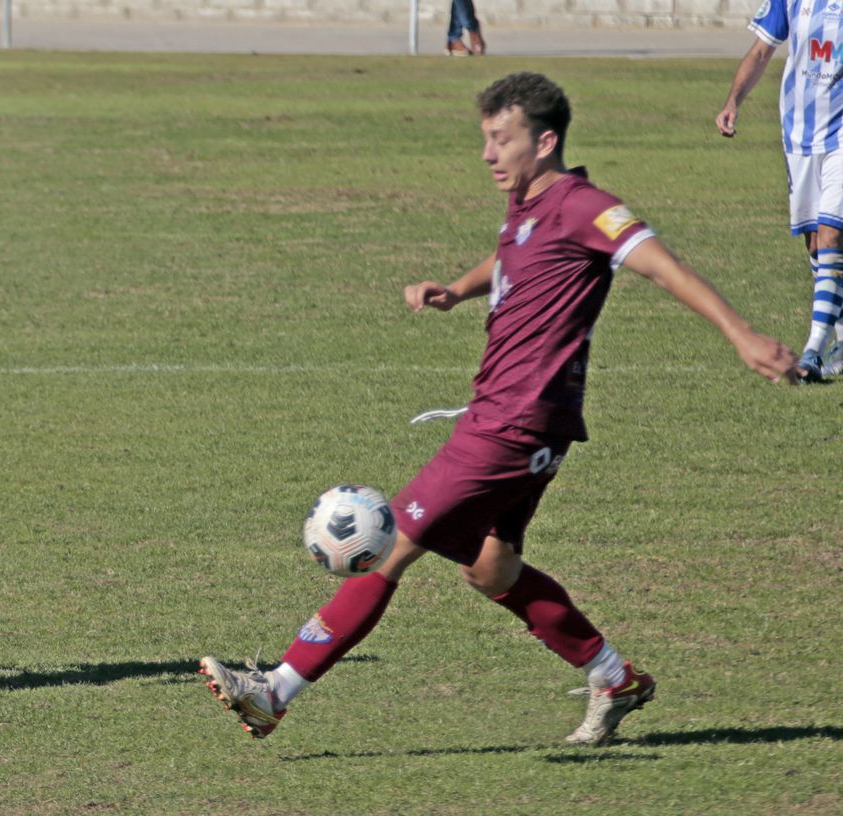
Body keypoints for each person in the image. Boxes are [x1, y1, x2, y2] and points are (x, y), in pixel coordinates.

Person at [201, 72, 797, 746]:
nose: (487, 154)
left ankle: (275, 691)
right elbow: (514, 258)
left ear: (543, 142)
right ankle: (612, 677)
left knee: (394, 542)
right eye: (485, 138)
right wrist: (457, 289)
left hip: (513, 420)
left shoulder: (586, 205)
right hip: (523, 420)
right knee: (492, 569)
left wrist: (740, 332)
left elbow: (661, 265)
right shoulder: (526, 204)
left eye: (500, 139)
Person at [716, 2, 843, 382]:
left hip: (840, 136)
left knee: (831, 232)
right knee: (815, 244)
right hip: (799, 135)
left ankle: (813, 349)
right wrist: (733, 102)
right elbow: (760, 51)